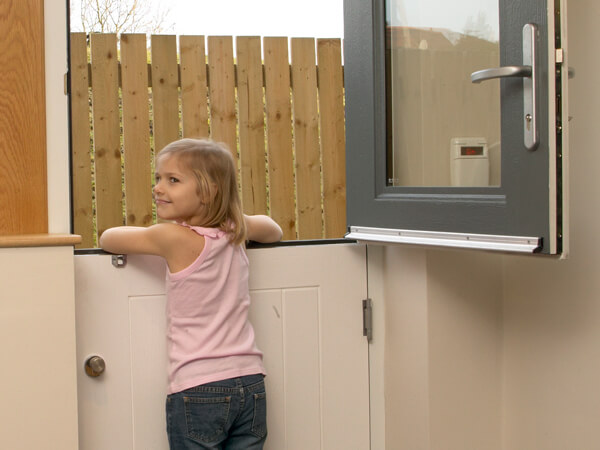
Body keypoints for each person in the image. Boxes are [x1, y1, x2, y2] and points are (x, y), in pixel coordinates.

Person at [100, 138, 283, 450]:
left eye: (173, 180)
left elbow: (108, 238)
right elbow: (273, 229)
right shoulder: (235, 230)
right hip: (251, 381)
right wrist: (241, 221)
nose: (159, 188)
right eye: (158, 178)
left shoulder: (171, 237)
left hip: (199, 386)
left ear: (208, 191)